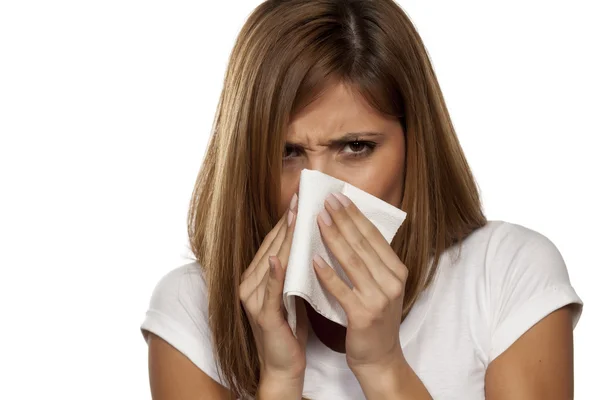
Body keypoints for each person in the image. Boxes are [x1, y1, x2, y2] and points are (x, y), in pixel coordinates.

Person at [140, 0, 583, 399]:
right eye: (287, 153)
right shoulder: (191, 306)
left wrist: (382, 366)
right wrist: (279, 379)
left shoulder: (506, 273)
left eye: (355, 147)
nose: (315, 190)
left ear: (416, 145)